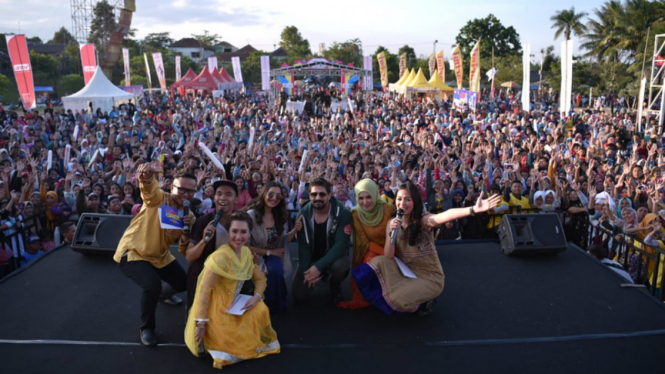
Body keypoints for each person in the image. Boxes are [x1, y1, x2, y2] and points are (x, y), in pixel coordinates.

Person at [353, 181, 501, 316]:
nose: (402, 203)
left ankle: (424, 300)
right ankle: (414, 294)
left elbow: (445, 215)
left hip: (429, 276)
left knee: (397, 299)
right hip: (407, 271)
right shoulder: (392, 222)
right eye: (399, 199)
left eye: (407, 199)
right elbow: (389, 255)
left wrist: (473, 209)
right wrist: (392, 234)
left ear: (415, 202)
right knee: (377, 261)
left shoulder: (423, 220)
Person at [113, 163, 196, 347]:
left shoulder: (189, 215)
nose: (186, 195)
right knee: (151, 285)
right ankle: (146, 328)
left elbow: (183, 250)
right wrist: (147, 177)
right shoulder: (159, 199)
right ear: (172, 187)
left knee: (184, 283)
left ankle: (161, 295)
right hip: (134, 252)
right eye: (182, 190)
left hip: (159, 256)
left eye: (191, 192)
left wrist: (186, 232)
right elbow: (149, 191)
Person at [184, 211, 280, 369]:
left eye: (243, 232)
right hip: (216, 307)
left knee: (260, 309)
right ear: (228, 233)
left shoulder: (247, 253)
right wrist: (201, 325)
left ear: (249, 234)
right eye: (234, 231)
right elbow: (204, 291)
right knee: (228, 339)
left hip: (236, 302)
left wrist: (256, 297)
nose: (239, 236)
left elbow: (260, 279)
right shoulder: (220, 257)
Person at [338, 179, 395, 310]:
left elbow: (397, 235)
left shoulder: (388, 209)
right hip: (374, 251)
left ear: (375, 194)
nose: (365, 202)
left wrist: (392, 253)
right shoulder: (356, 213)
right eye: (361, 198)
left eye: (368, 197)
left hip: (393, 248)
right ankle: (370, 297)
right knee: (371, 261)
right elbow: (364, 242)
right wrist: (386, 254)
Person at [294, 178, 352, 304]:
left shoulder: (343, 213)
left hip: (334, 257)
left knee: (341, 266)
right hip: (313, 256)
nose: (318, 197)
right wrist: (306, 271)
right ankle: (320, 274)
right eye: (314, 194)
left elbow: (341, 245)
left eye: (322, 194)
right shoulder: (303, 213)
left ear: (330, 195)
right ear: (309, 195)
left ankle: (334, 283)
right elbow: (303, 246)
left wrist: (318, 267)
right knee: (299, 296)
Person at [185, 178, 238, 309]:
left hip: (231, 275)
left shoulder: (241, 221)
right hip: (205, 276)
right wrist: (204, 241)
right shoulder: (203, 222)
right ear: (214, 198)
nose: (222, 198)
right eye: (219, 194)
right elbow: (190, 256)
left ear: (236, 200)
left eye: (228, 194)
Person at [247, 181, 300, 312]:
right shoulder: (251, 215)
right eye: (271, 194)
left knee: (276, 269)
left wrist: (295, 230)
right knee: (270, 270)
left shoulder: (280, 216)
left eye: (278, 196)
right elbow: (244, 245)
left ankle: (276, 304)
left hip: (272, 253)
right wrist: (269, 252)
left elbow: (283, 240)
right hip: (253, 255)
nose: (274, 198)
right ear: (263, 193)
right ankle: (263, 306)